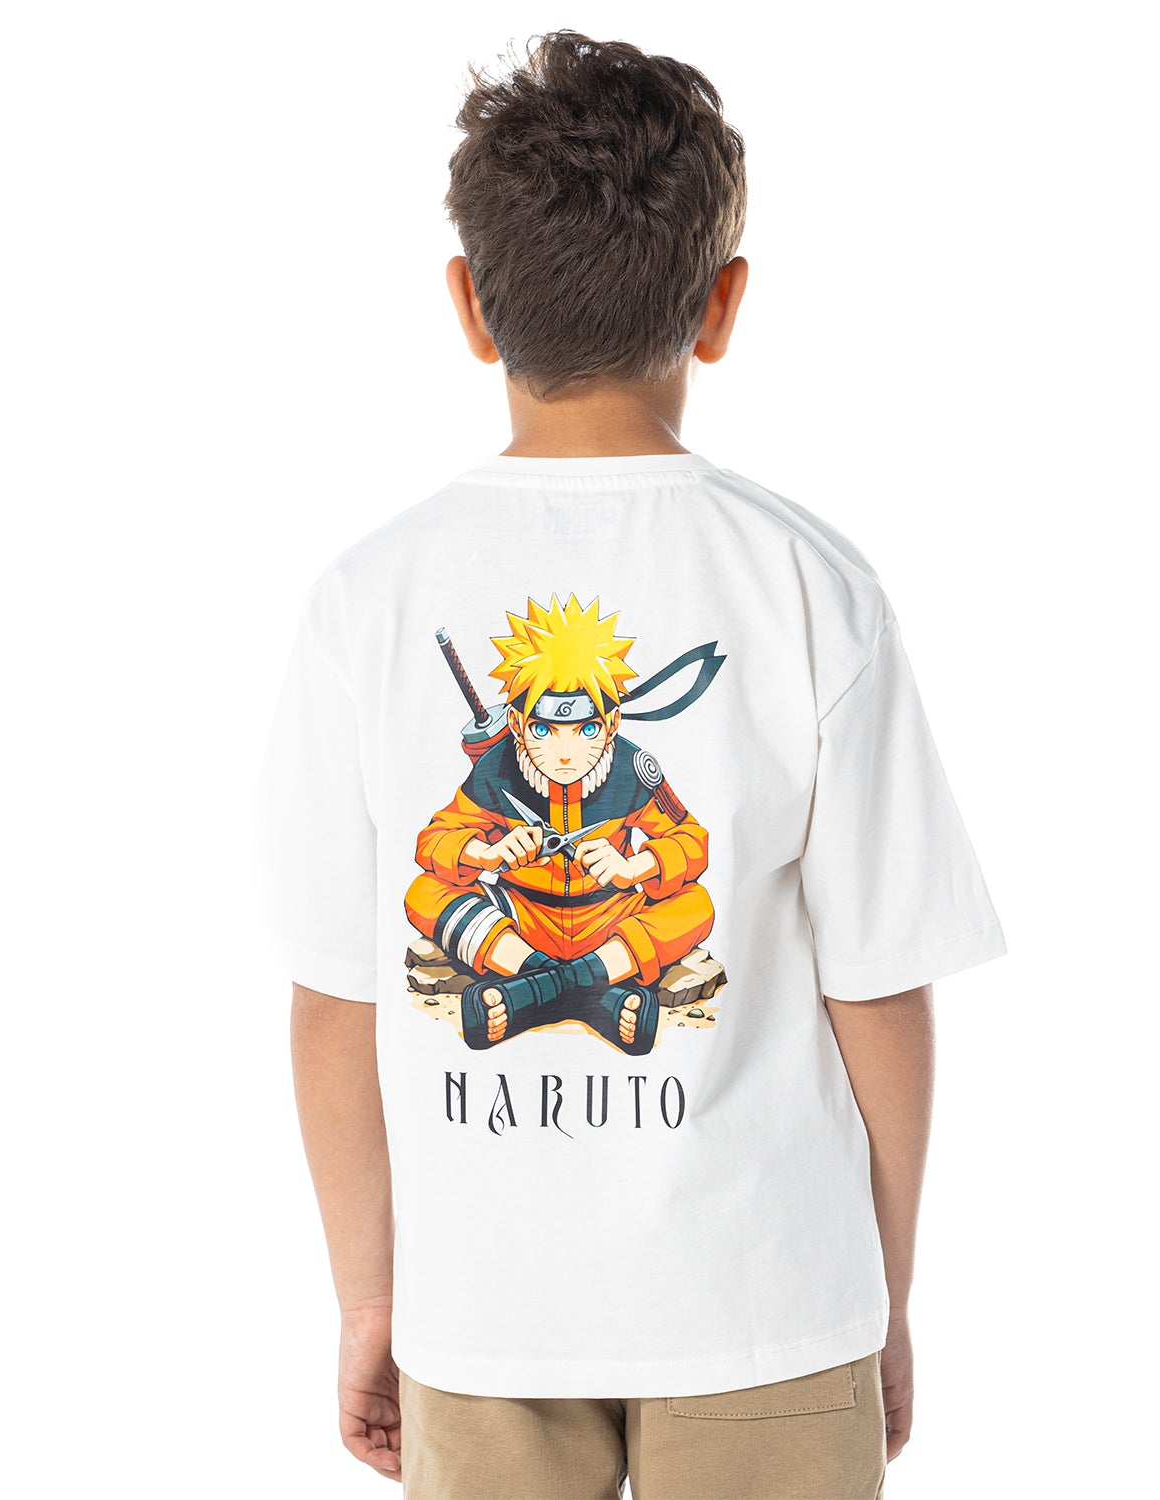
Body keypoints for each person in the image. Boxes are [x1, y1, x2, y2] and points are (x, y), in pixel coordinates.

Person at [255, 30, 1005, 1500]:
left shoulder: (366, 599)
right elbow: (879, 984)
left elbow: (333, 999)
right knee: (473, 917)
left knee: (663, 915)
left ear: (469, 305)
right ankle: (552, 983)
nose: (561, 741)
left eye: (580, 721)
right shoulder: (809, 585)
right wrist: (885, 1288)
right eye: (544, 721)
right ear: (722, 305)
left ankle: (584, 983)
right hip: (765, 1299)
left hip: (486, 1313)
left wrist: (369, 1299)